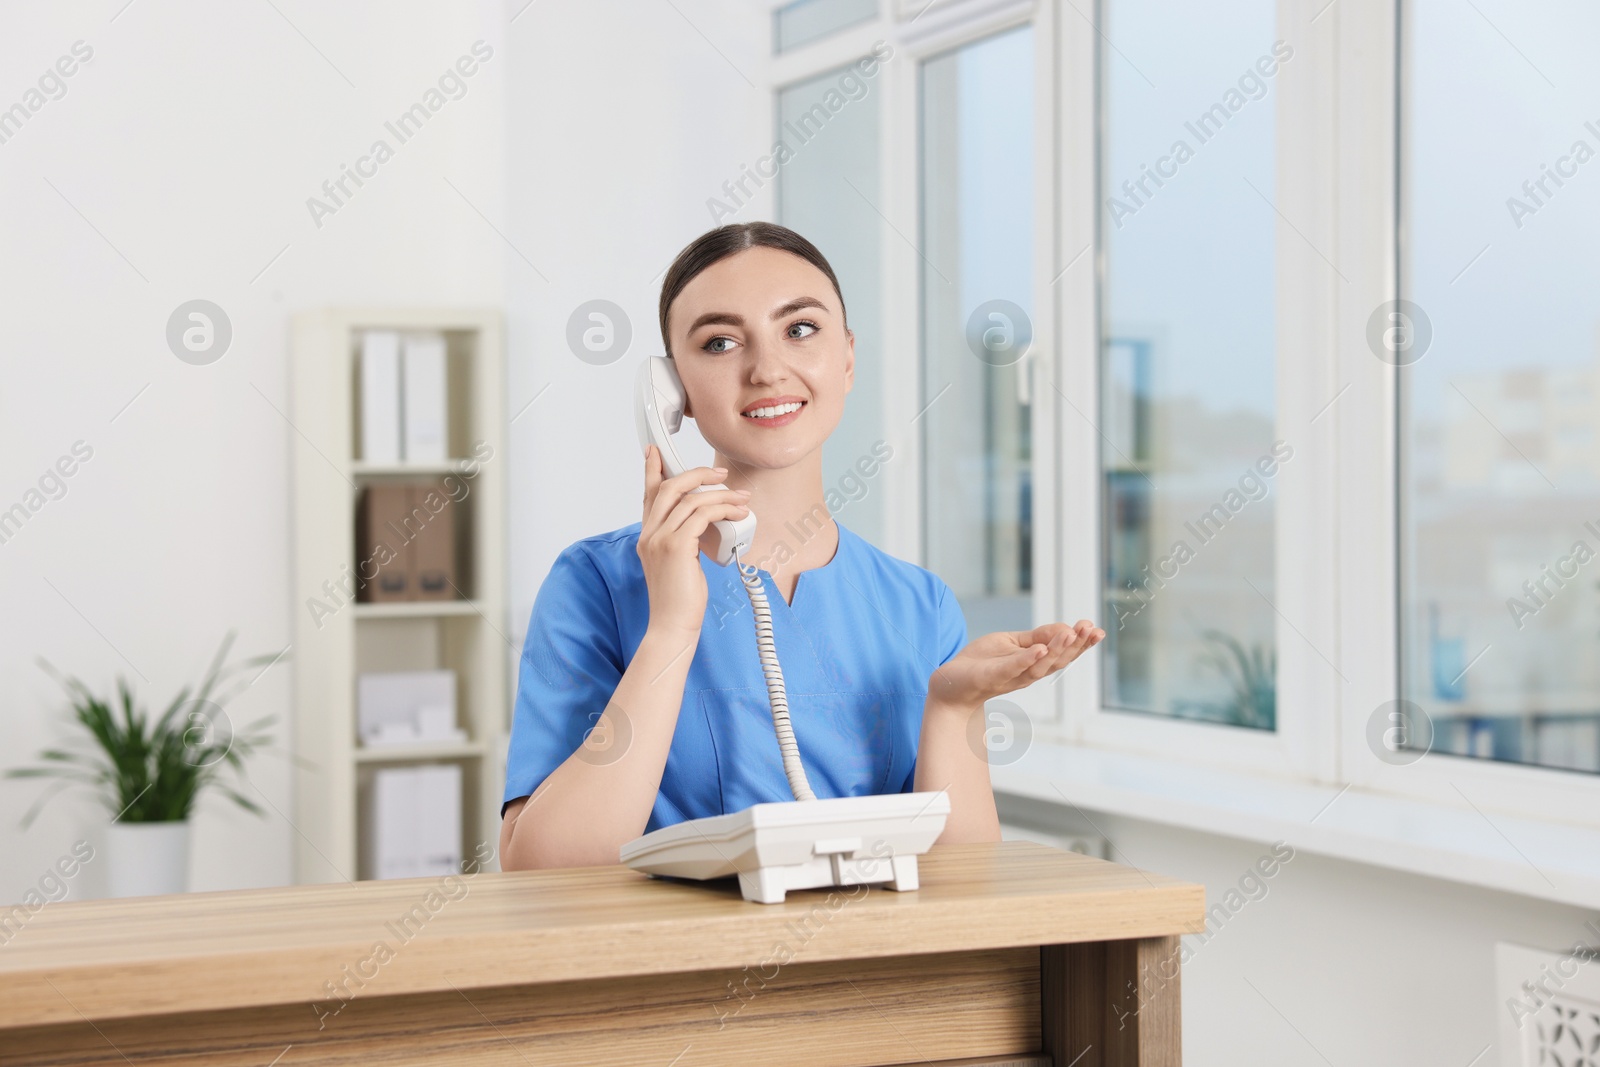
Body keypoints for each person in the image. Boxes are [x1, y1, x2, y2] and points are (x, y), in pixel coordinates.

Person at [499, 222, 1104, 870]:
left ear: (846, 358)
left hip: (875, 971)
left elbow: (962, 882)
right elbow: (544, 871)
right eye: (721, 341)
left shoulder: (919, 603)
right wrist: (672, 625)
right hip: (675, 970)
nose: (766, 369)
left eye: (800, 329)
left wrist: (955, 705)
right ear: (672, 394)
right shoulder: (596, 584)